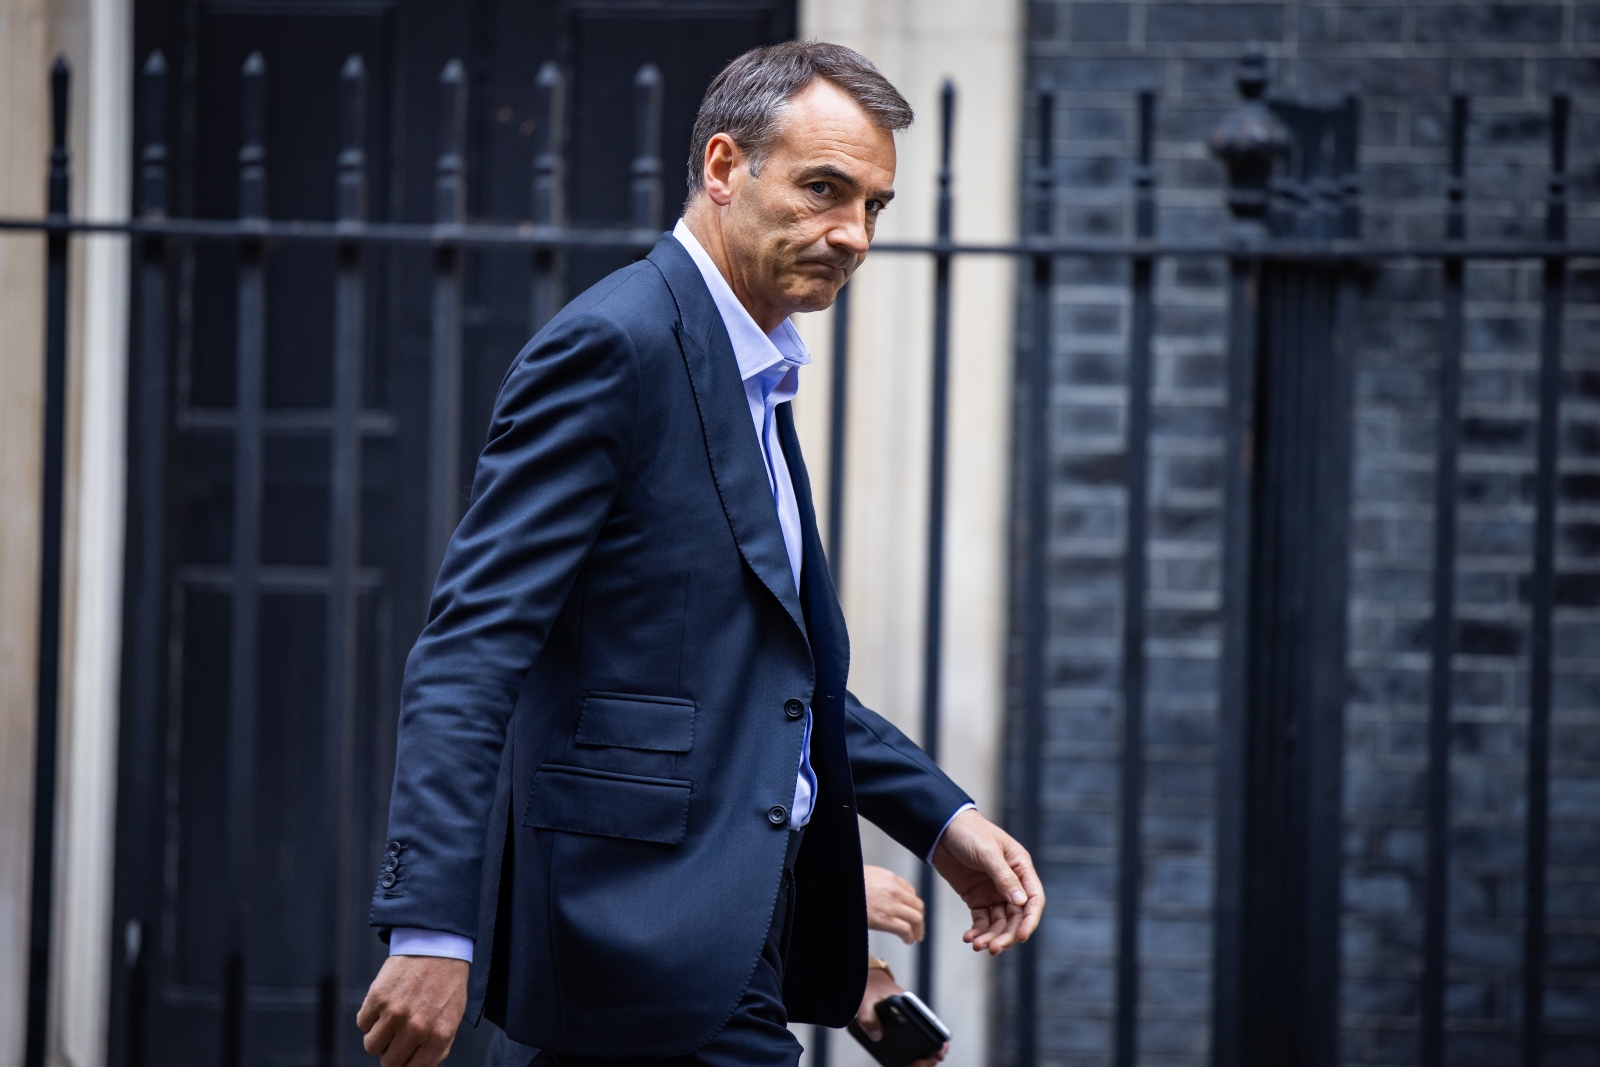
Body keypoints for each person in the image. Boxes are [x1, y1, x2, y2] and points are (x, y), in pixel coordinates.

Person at [356, 40, 1044, 1067]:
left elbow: (764, 674)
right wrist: (430, 927)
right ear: (724, 168)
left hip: (723, 946)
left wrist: (937, 816)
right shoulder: (618, 346)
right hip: (628, 954)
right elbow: (471, 645)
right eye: (823, 190)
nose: (851, 234)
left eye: (872, 206)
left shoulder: (750, 369)